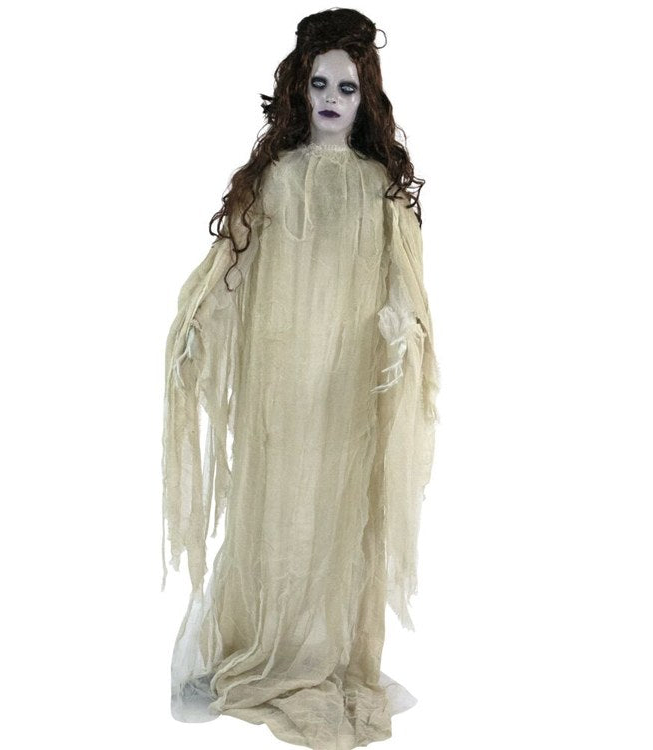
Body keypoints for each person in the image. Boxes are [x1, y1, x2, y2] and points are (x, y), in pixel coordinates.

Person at [160, 8, 440, 749]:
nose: (331, 99)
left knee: (337, 514)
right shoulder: (276, 181)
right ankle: (267, 646)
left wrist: (400, 327)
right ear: (298, 89)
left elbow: (404, 282)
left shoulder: (380, 190)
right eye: (319, 84)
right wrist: (196, 327)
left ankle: (324, 650)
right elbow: (229, 267)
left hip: (347, 388)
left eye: (347, 88)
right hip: (278, 388)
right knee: (274, 508)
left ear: (366, 97)